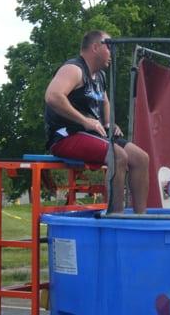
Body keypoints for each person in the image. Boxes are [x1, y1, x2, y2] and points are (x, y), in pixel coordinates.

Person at [44, 30, 149, 213]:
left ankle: (140, 217)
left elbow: (104, 100)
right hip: (65, 135)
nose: (112, 52)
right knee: (118, 156)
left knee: (141, 158)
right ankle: (116, 217)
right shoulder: (74, 69)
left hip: (90, 134)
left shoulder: (99, 77)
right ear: (95, 47)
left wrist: (108, 122)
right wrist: (84, 120)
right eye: (109, 47)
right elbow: (53, 96)